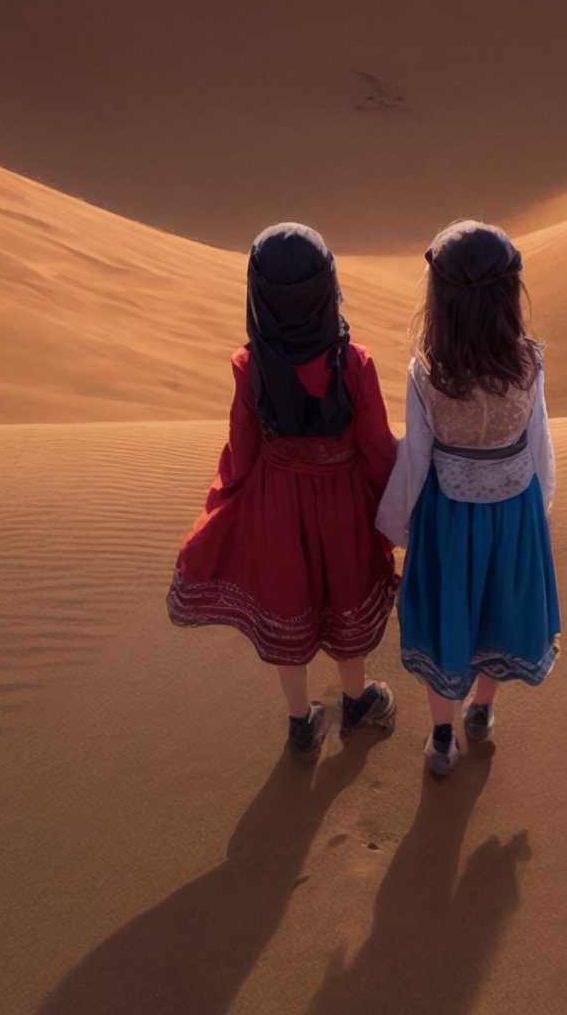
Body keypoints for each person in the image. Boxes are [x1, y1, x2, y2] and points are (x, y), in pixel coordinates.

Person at [166, 221, 398, 758]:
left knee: (289, 602)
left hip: (277, 507)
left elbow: (242, 450)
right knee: (345, 596)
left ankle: (301, 724)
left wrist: (227, 499)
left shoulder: (251, 367)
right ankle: (357, 704)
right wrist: (395, 504)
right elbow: (378, 449)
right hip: (342, 506)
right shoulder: (355, 363)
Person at [377, 219, 559, 776]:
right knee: (498, 611)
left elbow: (416, 458)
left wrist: (398, 529)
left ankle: (440, 739)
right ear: (508, 296)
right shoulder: (528, 362)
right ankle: (481, 711)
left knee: (448, 618)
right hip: (513, 513)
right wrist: (539, 507)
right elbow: (541, 444)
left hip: (449, 520)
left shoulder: (427, 373)